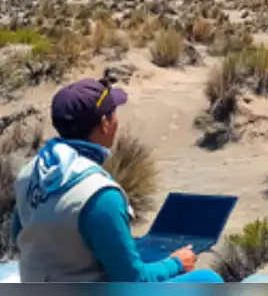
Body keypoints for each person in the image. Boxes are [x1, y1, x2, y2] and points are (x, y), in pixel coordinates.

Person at [10, 77, 224, 283]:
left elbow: (21, 236)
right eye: (113, 112)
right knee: (208, 280)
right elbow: (133, 281)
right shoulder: (99, 194)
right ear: (104, 123)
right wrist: (176, 263)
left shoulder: (29, 174)